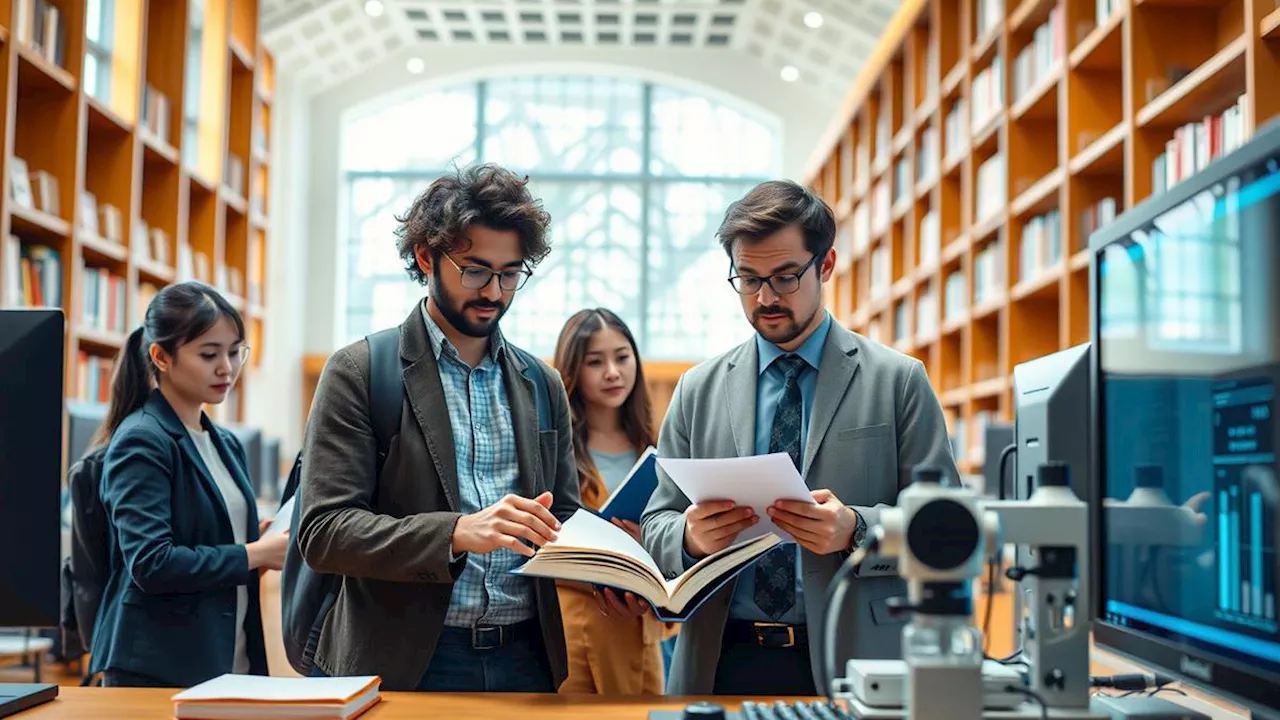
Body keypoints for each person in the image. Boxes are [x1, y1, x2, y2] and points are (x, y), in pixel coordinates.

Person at [640, 180, 959, 696]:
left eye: (785, 277)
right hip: (719, 659)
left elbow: (948, 524)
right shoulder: (698, 389)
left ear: (826, 265)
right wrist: (690, 537)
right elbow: (656, 522)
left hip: (855, 660)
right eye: (748, 279)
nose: (765, 297)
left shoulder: (898, 381)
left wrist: (856, 529)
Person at [296, 163, 581, 692]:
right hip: (404, 661)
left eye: (510, 273)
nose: (494, 292)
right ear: (427, 256)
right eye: (475, 270)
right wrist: (456, 532)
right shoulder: (359, 371)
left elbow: (560, 515)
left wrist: (609, 565)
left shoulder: (542, 383)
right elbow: (324, 532)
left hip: (526, 660)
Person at [90, 281, 288, 688]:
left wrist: (255, 546)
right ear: (161, 357)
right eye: (209, 354)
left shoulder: (225, 442)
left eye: (234, 352)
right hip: (159, 668)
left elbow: (208, 537)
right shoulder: (142, 438)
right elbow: (152, 563)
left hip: (226, 658)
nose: (226, 369)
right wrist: (250, 553)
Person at [552, 309, 671, 695]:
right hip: (581, 632)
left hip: (644, 633)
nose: (612, 373)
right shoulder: (556, 448)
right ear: (572, 369)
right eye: (595, 362)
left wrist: (652, 540)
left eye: (622, 357)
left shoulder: (655, 447)